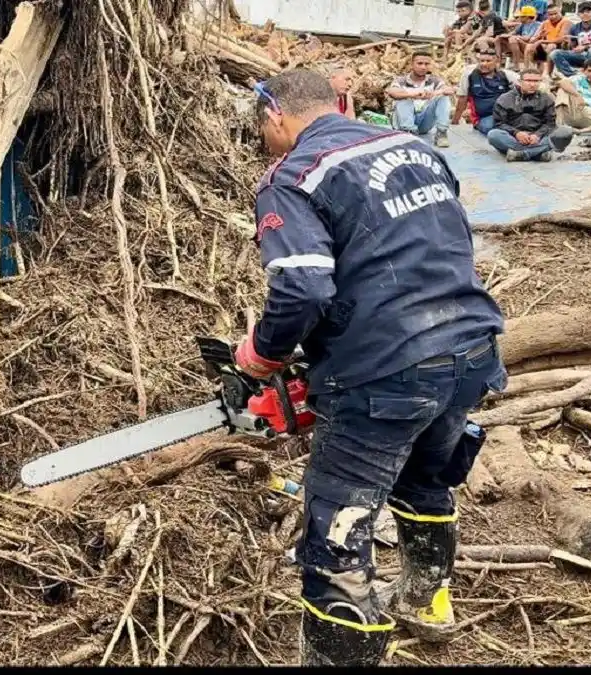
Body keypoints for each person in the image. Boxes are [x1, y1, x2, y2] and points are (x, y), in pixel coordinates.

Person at [244, 68, 505, 667]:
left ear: (274, 113)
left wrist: (262, 355)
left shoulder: (293, 177)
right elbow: (438, 241)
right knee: (425, 480)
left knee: (338, 521)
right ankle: (426, 602)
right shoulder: (409, 146)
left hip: (390, 373)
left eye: (262, 125)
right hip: (469, 346)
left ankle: (344, 656)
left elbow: (303, 290)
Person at [488, 68, 575, 161]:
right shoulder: (504, 99)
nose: (532, 84)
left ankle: (522, 154)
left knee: (566, 131)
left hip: (538, 138)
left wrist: (537, 135)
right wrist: (516, 133)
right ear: (519, 82)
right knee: (493, 135)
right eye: (528, 81)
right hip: (513, 138)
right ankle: (538, 153)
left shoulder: (546, 99)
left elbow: (550, 124)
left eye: (536, 81)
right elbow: (499, 124)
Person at [386, 52, 456, 147]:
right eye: (419, 63)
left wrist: (433, 93)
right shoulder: (401, 81)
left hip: (424, 123)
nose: (423, 67)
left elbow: (450, 90)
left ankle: (441, 133)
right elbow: (392, 92)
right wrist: (414, 94)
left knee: (443, 96)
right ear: (412, 64)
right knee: (403, 99)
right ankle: (409, 133)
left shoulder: (434, 80)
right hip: (404, 123)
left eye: (427, 64)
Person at [454, 49, 520, 134]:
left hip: (506, 115)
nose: (484, 64)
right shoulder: (469, 75)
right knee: (490, 128)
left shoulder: (506, 75)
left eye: (488, 61)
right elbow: (462, 98)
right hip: (485, 117)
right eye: (481, 61)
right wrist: (455, 121)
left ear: (496, 61)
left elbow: (524, 84)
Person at [551, 2, 591, 76]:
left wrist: (585, 47)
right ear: (578, 14)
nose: (585, 14)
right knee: (555, 53)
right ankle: (574, 75)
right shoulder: (574, 28)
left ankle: (589, 74)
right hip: (581, 55)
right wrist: (566, 43)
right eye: (582, 12)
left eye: (588, 11)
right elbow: (572, 48)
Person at [555, 58, 591, 129]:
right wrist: (577, 95)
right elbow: (562, 82)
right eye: (589, 71)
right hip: (582, 112)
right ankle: (560, 123)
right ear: (584, 71)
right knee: (562, 91)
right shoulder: (579, 79)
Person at [535, 4, 573, 76]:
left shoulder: (566, 22)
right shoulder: (545, 23)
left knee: (551, 46)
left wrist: (542, 41)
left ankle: (548, 74)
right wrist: (539, 37)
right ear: (547, 14)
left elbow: (561, 39)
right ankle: (529, 71)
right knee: (530, 46)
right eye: (550, 14)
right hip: (546, 45)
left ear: (560, 11)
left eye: (555, 13)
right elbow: (534, 38)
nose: (553, 16)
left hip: (562, 47)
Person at [507, 5, 544, 70]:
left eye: (520, 16)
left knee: (513, 39)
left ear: (526, 17)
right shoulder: (522, 24)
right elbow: (512, 33)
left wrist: (517, 37)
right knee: (504, 39)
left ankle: (518, 66)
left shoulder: (538, 25)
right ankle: (516, 66)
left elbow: (529, 38)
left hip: (535, 47)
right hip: (524, 45)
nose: (518, 18)